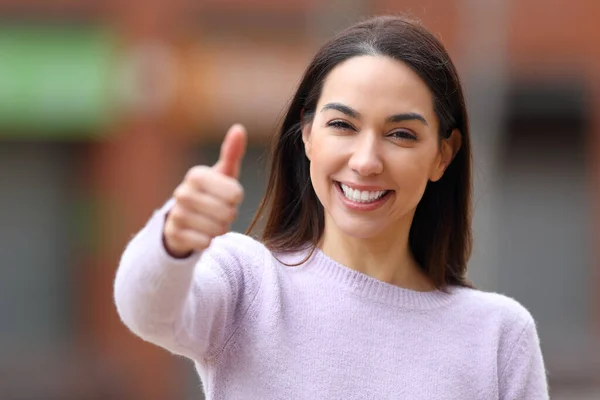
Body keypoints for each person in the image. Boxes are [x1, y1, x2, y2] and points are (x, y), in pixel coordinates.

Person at [114, 15, 549, 399]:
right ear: (307, 134)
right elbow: (147, 312)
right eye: (342, 125)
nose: (365, 161)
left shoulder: (499, 337)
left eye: (401, 134)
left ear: (443, 154)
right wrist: (173, 238)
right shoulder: (247, 282)